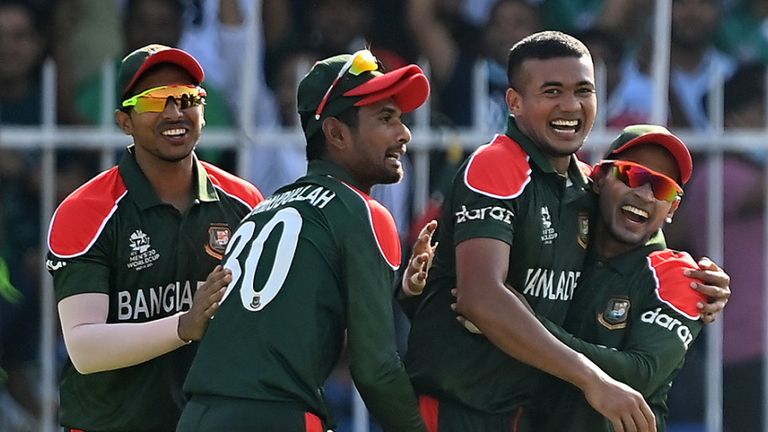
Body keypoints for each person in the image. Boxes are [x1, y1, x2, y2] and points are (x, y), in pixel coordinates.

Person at [402, 31, 730, 432]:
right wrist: (593, 379)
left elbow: (642, 244)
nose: (570, 105)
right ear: (514, 103)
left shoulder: (587, 185)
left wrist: (702, 281)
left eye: (583, 91)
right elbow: (479, 298)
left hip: (521, 415)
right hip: (457, 410)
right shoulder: (499, 163)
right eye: (552, 91)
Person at [178, 49, 431, 432]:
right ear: (335, 132)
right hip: (275, 417)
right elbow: (376, 368)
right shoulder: (362, 211)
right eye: (386, 118)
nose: (404, 133)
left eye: (401, 118)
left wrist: (404, 293)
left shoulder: (264, 208)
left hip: (198, 417)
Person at [45, 44, 264, 431]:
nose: (174, 112)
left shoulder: (245, 202)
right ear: (124, 121)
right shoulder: (86, 210)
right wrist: (184, 325)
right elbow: (84, 347)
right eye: (155, 100)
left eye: (187, 98)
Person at [531, 125, 707, 431]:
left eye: (661, 188)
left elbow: (639, 373)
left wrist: (514, 322)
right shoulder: (558, 237)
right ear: (599, 179)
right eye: (631, 175)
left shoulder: (679, 276)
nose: (643, 194)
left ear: (673, 208)